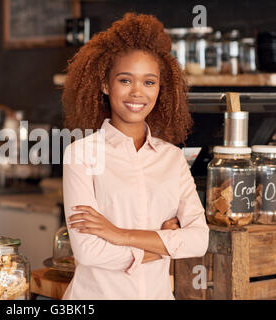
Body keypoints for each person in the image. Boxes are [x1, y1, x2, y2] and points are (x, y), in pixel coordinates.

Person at [61, 12, 209, 300]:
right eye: (125, 80)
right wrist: (161, 242)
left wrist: (119, 234)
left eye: (149, 82)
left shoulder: (172, 158)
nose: (137, 92)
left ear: (160, 88)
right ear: (105, 85)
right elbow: (89, 252)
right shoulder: (80, 154)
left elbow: (199, 240)